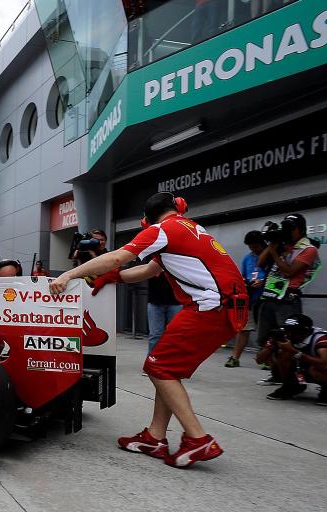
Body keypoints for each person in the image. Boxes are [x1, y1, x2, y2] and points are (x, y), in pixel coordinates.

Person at [50, 192, 247, 468]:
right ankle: (155, 437)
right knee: (166, 368)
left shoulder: (163, 230)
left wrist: (70, 274)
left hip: (209, 307)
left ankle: (198, 439)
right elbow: (149, 270)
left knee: (159, 368)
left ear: (147, 218)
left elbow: (118, 256)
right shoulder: (192, 229)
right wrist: (113, 278)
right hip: (227, 306)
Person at [255, 213, 321, 385]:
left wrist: (277, 254)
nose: (286, 232)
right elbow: (260, 263)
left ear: (299, 229)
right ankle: (276, 374)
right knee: (263, 339)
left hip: (287, 300)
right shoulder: (283, 245)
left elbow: (289, 271)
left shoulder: (309, 249)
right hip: (269, 297)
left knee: (288, 341)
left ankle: (291, 379)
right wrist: (272, 245)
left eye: (289, 229)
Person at [256, 314, 327, 406]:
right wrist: (271, 344)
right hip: (300, 365)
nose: (289, 334)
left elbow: (325, 364)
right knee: (283, 353)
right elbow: (259, 360)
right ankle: (291, 385)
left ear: (305, 331)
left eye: (294, 331)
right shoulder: (284, 336)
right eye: (287, 329)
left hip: (326, 369)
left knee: (314, 369)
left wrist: (294, 351)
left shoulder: (320, 338)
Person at [225, 230, 268, 368]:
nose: (253, 249)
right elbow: (241, 276)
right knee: (244, 328)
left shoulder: (271, 256)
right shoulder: (247, 258)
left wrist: (263, 281)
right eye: (251, 247)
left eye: (256, 246)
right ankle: (235, 357)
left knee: (266, 330)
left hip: (266, 298)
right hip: (249, 298)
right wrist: (246, 282)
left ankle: (268, 360)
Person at [146, 272, 181, 355]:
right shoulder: (152, 259)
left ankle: (171, 360)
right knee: (155, 334)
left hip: (175, 301)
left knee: (174, 335)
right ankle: (152, 360)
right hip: (155, 301)